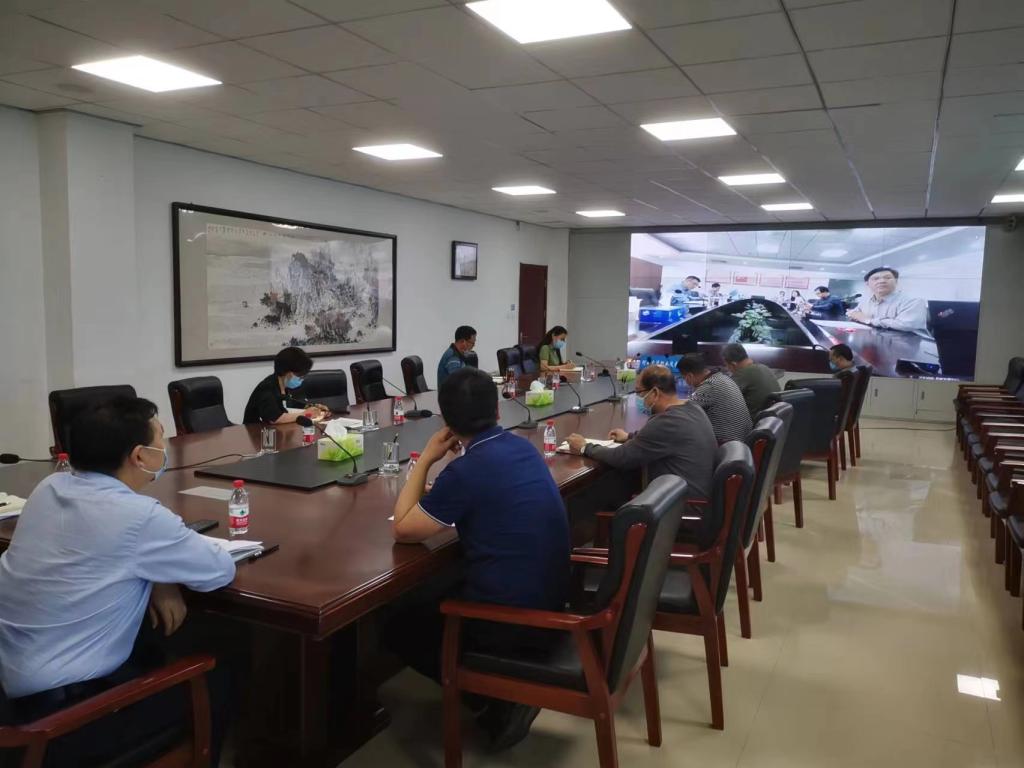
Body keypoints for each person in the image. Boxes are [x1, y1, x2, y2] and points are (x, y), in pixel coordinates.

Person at [0, 397, 237, 766]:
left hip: (13, 692)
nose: (165, 445)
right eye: (161, 438)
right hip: (59, 725)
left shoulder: (50, 487)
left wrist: (156, 576)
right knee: (219, 673)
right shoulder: (139, 516)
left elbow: (103, 549)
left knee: (153, 638)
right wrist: (158, 568)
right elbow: (219, 570)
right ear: (140, 456)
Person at [388, 367, 570, 750]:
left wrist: (427, 459)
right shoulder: (522, 447)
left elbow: (403, 529)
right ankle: (497, 692)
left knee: (396, 621)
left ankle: (495, 698)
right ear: (499, 411)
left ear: (446, 421)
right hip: (552, 597)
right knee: (439, 584)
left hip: (512, 621)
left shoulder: (466, 470)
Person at [564, 365, 716, 500]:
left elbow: (622, 457)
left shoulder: (668, 421)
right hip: (691, 496)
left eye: (639, 392)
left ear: (655, 392)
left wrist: (585, 447)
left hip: (680, 506)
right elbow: (661, 440)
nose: (639, 398)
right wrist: (629, 437)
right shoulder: (691, 408)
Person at [677, 354, 752, 443]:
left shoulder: (709, 386)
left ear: (689, 376)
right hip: (740, 442)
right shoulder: (721, 378)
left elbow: (683, 412)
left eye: (683, 378)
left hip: (726, 443)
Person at [242, 346, 327, 424]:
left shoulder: (283, 386)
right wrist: (305, 414)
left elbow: (289, 404)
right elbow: (275, 418)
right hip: (256, 432)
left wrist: (311, 406)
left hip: (275, 431)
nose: (302, 379)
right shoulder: (267, 388)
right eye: (299, 375)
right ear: (286, 371)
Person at [846, 266, 928, 333]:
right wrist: (854, 314)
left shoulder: (913, 301)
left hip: (908, 343)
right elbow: (854, 313)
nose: (882, 281)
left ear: (896, 281)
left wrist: (869, 320)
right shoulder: (866, 301)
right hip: (876, 339)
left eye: (888, 278)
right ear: (867, 284)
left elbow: (906, 325)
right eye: (876, 279)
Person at [721, 343, 781, 418]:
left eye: (726, 365)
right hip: (773, 420)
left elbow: (721, 397)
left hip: (755, 422)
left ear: (733, 364)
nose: (727, 369)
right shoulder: (764, 367)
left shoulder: (742, 374)